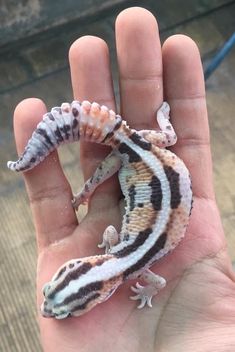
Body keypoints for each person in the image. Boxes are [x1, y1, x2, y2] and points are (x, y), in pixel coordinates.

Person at [12, 7, 235, 352]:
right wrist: (136, 278)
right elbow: (151, 275)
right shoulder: (133, 264)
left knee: (157, 144)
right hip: (146, 159)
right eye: (65, 310)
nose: (47, 310)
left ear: (83, 266)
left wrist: (101, 222)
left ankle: (157, 129)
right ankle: (43, 151)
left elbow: (145, 268)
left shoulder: (129, 262)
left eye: (52, 295)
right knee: (151, 147)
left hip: (146, 158)